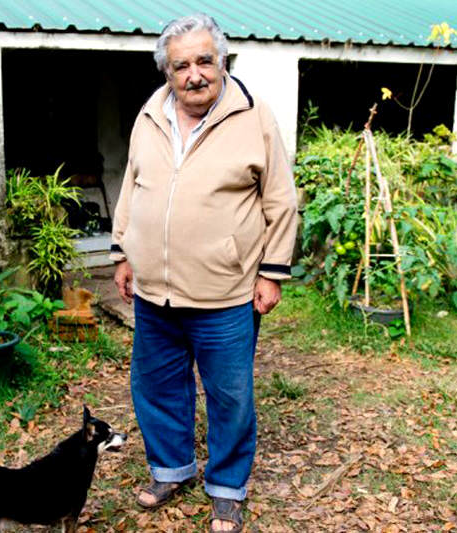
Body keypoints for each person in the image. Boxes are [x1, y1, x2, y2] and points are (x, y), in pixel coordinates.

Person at [110, 13, 298, 533]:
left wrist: (272, 271)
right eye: (181, 65)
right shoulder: (149, 114)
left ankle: (226, 488)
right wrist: (123, 251)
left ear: (222, 61)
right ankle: (171, 470)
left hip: (225, 290)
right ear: (167, 73)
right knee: (156, 384)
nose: (194, 74)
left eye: (204, 61)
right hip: (154, 291)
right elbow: (133, 186)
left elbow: (280, 200)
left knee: (230, 395)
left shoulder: (253, 115)